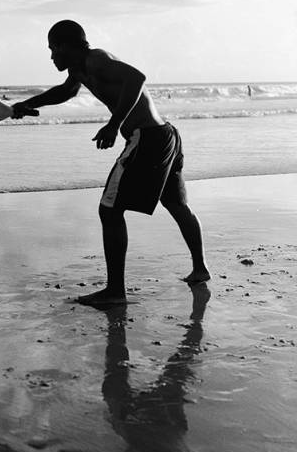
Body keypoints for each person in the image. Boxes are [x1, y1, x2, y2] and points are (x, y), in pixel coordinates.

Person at [11, 20, 210, 306]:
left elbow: (137, 78)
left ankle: (115, 290)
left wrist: (114, 124)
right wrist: (28, 104)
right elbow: (64, 92)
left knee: (109, 209)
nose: (52, 56)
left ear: (66, 46)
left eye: (53, 49)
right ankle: (200, 269)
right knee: (176, 204)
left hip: (147, 138)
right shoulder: (80, 69)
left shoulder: (97, 59)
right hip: (165, 135)